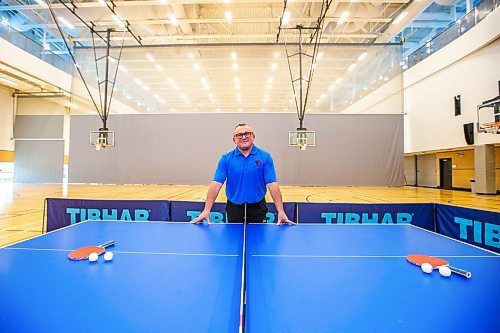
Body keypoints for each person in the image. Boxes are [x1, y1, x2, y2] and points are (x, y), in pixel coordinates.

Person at [191, 123, 294, 225]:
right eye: (239, 135)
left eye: (247, 134)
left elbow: (272, 185)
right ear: (234, 140)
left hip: (258, 209)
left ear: (253, 136)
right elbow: (216, 184)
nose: (243, 137)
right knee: (234, 240)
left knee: (259, 241)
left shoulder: (265, 157)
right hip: (234, 209)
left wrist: (281, 211)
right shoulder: (226, 159)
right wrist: (206, 210)